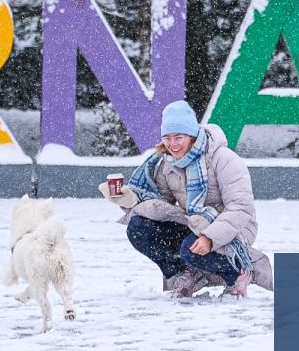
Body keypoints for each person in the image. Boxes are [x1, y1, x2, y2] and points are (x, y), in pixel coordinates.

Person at [99, 100, 273, 297]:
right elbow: (161, 204)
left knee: (190, 249)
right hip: (195, 223)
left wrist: (210, 237)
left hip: (235, 227)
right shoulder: (168, 163)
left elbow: (241, 208)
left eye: (178, 137)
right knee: (140, 228)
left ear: (191, 136)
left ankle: (239, 271)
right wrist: (129, 199)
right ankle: (186, 273)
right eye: (167, 138)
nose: (172, 144)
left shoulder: (223, 158)